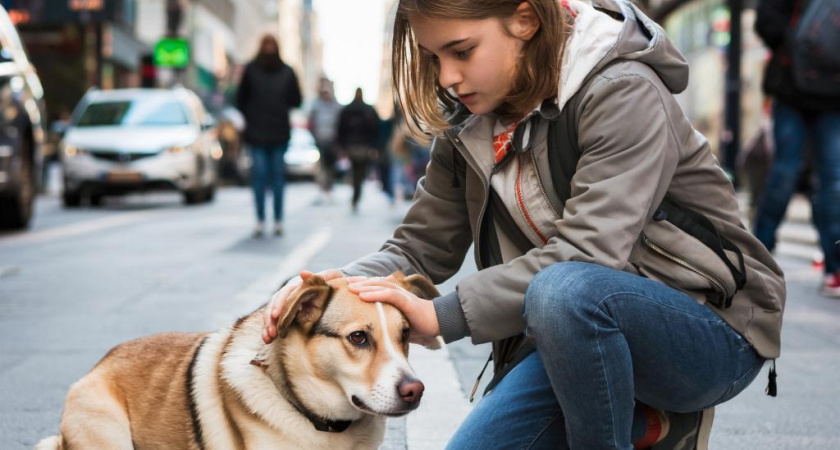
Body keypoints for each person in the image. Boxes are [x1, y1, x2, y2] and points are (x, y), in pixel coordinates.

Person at [262, 1, 786, 449]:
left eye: (461, 51)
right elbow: (419, 247)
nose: (446, 76)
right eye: (433, 57)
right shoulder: (469, 119)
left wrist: (441, 316)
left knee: (565, 289)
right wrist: (323, 287)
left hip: (708, 330)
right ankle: (636, 419)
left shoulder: (623, 91)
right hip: (571, 341)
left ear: (525, 20)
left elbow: (588, 254)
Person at [753, 0, 840, 298]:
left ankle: (757, 256)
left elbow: (767, 22)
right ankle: (836, 269)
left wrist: (792, 44)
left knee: (785, 173)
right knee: (832, 179)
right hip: (826, 93)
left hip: (793, 86)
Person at [237, 34, 302, 237]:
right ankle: (260, 219)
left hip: (278, 134)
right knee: (260, 176)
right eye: (266, 44)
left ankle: (278, 219)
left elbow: (296, 100)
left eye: (272, 44)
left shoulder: (287, 71)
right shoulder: (251, 69)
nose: (269, 49)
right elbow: (239, 98)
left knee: (277, 178)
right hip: (256, 133)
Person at [337, 87, 380, 213]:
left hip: (352, 146)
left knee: (356, 172)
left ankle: (356, 195)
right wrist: (374, 146)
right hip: (364, 146)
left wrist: (343, 146)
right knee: (360, 173)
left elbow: (341, 129)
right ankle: (357, 194)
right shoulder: (368, 110)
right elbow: (375, 129)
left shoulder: (348, 110)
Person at [308, 78, 343, 204]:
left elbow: (341, 123)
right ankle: (324, 187)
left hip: (333, 140)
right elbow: (310, 121)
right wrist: (314, 135)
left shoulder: (336, 106)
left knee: (331, 165)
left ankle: (329, 186)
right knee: (322, 165)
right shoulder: (316, 105)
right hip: (320, 140)